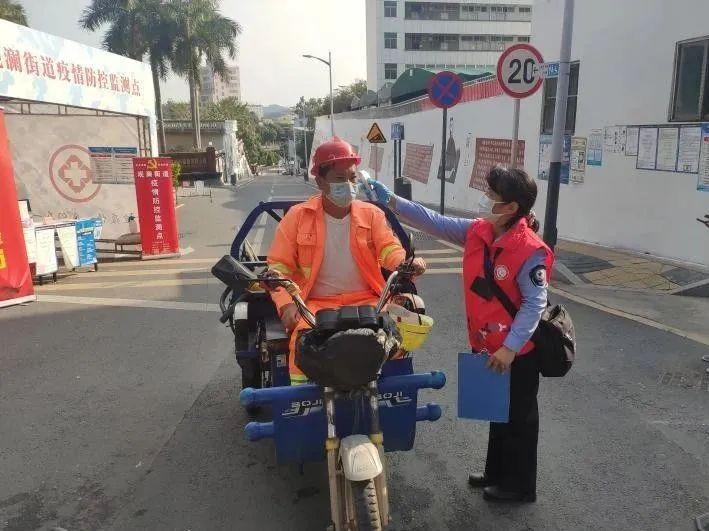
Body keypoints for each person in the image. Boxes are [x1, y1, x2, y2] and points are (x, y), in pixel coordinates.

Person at [367, 166, 553, 503]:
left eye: (492, 195)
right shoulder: (479, 231)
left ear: (511, 207)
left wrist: (510, 348)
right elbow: (434, 221)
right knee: (498, 412)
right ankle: (496, 473)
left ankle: (520, 486)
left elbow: (534, 304)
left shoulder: (530, 249)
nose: (484, 200)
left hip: (518, 352)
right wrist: (391, 200)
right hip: (489, 345)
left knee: (520, 419)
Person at [265, 136, 426, 385]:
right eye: (340, 178)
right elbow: (278, 268)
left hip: (368, 300)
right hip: (315, 304)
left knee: (393, 339)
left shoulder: (372, 214)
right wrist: (287, 305)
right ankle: (304, 403)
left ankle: (391, 396)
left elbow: (389, 248)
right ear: (320, 181)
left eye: (352, 178)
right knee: (302, 346)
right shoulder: (297, 217)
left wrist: (405, 264)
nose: (349, 185)